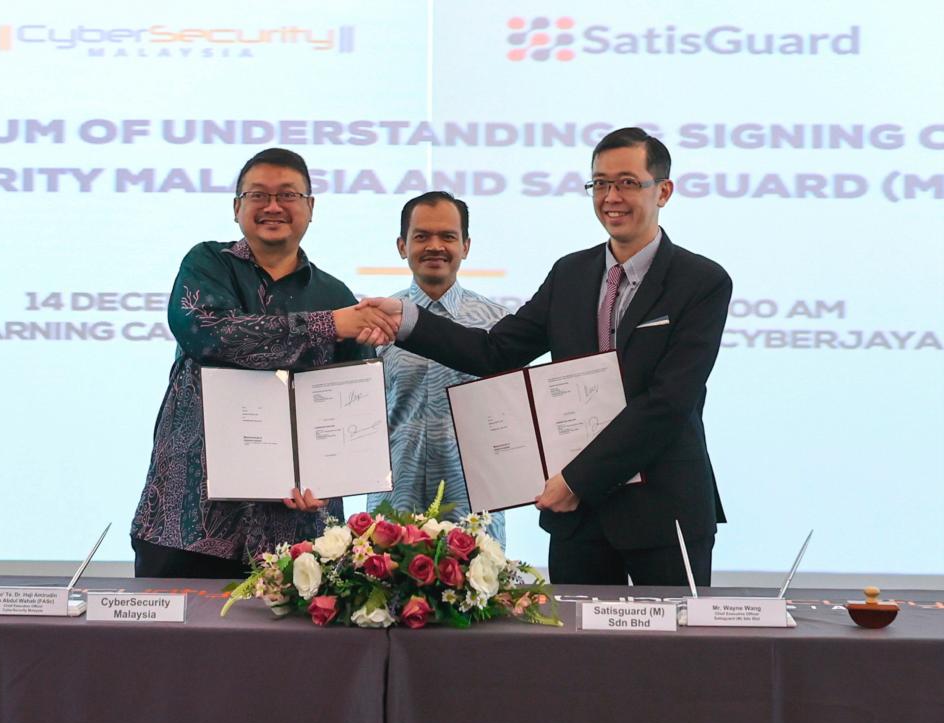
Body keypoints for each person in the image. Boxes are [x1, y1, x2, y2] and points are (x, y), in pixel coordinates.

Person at [361, 127, 731, 586]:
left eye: (627, 182)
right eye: (599, 183)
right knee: (577, 657)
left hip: (660, 510)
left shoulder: (702, 281)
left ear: (664, 191)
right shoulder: (571, 273)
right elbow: (495, 351)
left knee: (677, 655)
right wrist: (409, 321)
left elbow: (668, 402)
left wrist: (578, 479)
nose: (611, 196)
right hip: (579, 521)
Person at [130, 148, 396, 578]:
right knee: (172, 647)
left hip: (296, 533)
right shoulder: (207, 264)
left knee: (287, 649)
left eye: (288, 195)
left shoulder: (337, 295)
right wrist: (330, 326)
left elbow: (353, 404)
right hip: (187, 522)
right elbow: (210, 335)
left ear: (310, 208)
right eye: (258, 195)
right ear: (237, 208)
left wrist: (332, 481)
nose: (273, 206)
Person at [367, 192, 506, 545]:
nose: (435, 246)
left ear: (466, 246)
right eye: (421, 236)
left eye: (447, 237)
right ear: (402, 245)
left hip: (474, 510)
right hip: (393, 506)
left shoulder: (497, 325)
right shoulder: (376, 324)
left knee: (475, 600)